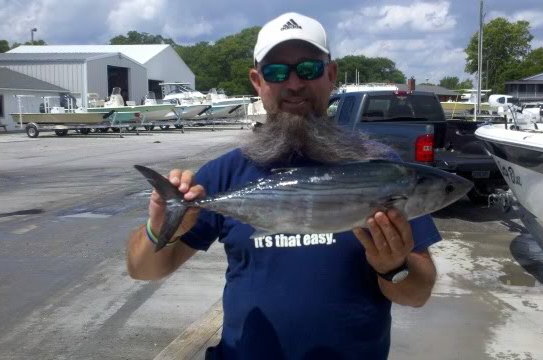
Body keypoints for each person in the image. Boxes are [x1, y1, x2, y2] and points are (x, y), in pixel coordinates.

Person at [127, 12, 440, 360]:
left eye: (308, 69)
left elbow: (418, 294)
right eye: (277, 72)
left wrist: (393, 267)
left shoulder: (380, 170)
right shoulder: (226, 173)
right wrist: (159, 227)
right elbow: (143, 270)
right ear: (257, 82)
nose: (294, 85)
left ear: (331, 75)